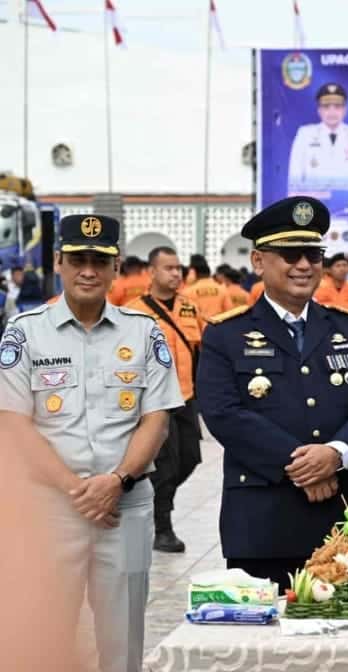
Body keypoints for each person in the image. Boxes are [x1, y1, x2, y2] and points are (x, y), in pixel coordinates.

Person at [0, 214, 183, 672]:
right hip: (48, 509)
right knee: (45, 638)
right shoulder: (25, 332)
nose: (88, 271)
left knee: (123, 641)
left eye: (99, 261)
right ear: (58, 262)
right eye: (77, 260)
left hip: (126, 506)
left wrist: (116, 481)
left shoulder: (143, 332)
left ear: (116, 267)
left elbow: (156, 419)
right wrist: (77, 490)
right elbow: (14, 424)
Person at [196, 197, 348, 590]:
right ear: (258, 261)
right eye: (290, 254)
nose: (303, 265)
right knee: (264, 628)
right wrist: (302, 465)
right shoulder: (226, 333)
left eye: (313, 255)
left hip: (346, 516)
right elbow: (223, 413)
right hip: (264, 520)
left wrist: (335, 455)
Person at [125, 246, 205, 553]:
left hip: (186, 396)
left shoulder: (190, 308)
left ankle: (150, 500)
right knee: (165, 466)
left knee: (190, 458)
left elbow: (203, 349)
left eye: (178, 268)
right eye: (168, 268)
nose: (176, 273)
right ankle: (162, 528)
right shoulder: (134, 312)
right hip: (154, 402)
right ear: (151, 272)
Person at [288, 83, 348, 189]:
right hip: (314, 198)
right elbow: (295, 179)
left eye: (337, 106)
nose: (332, 112)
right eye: (326, 106)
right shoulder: (305, 135)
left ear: (345, 110)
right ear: (319, 111)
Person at [182, 254, 228, 318]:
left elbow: (186, 318)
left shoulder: (187, 292)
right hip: (219, 323)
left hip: (197, 324)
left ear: (193, 272)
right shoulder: (223, 290)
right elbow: (229, 313)